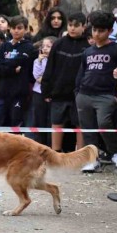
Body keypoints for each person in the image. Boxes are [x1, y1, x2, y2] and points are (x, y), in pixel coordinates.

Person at [75, 11, 117, 173]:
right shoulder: (87, 52)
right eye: (95, 30)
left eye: (101, 31)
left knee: (104, 124)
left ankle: (116, 153)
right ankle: (93, 159)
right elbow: (81, 73)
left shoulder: (116, 49)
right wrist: (77, 92)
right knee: (88, 128)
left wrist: (116, 94)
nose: (97, 34)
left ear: (110, 32)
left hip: (106, 95)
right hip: (84, 95)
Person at [41, 12, 89, 153]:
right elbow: (50, 67)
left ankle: (80, 153)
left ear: (83, 27)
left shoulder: (87, 45)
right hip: (59, 92)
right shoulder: (59, 44)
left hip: (79, 93)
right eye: (70, 25)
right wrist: (47, 89)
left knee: (80, 124)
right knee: (57, 123)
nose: (72, 28)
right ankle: (56, 152)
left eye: (76, 26)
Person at [0, 15, 36, 127]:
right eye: (13, 28)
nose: (16, 31)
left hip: (18, 94)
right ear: (9, 29)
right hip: (0, 92)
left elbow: (23, 62)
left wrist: (4, 63)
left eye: (19, 28)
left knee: (14, 125)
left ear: (25, 29)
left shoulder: (29, 48)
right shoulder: (3, 47)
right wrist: (12, 69)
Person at [28, 36, 55, 144]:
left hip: (51, 93)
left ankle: (50, 144)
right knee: (39, 119)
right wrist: (39, 61)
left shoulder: (56, 61)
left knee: (50, 120)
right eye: (43, 46)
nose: (45, 48)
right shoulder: (38, 60)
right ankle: (40, 143)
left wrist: (43, 79)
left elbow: (52, 77)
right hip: (38, 92)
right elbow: (36, 76)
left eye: (48, 46)